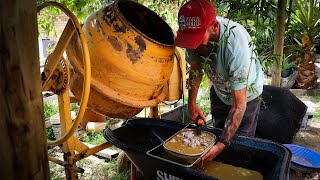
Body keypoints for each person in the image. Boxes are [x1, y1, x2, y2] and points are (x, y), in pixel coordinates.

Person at [174, 0, 264, 161]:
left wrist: (223, 143)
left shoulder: (236, 47)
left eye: (197, 39)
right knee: (216, 134)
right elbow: (196, 69)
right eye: (190, 40)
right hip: (220, 90)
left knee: (240, 145)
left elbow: (239, 105)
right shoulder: (194, 37)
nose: (193, 46)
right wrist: (192, 104)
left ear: (214, 27)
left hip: (246, 98)